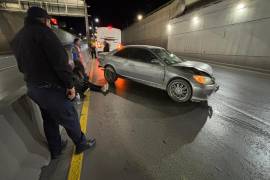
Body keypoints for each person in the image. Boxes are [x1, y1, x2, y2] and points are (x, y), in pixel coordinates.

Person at [10, 7, 96, 160]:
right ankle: (81, 144)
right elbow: (60, 63)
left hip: (33, 89)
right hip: (51, 89)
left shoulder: (17, 39)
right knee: (70, 116)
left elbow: (21, 67)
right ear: (44, 20)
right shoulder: (45, 33)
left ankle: (55, 149)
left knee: (49, 119)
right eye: (49, 21)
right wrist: (70, 86)